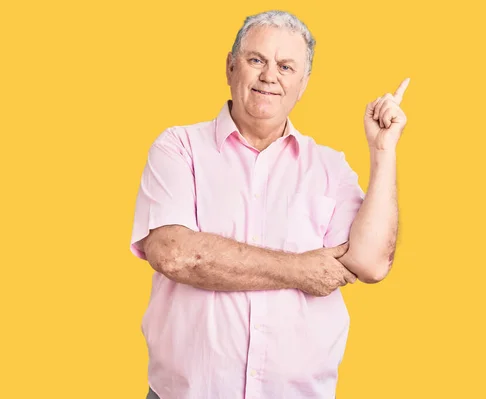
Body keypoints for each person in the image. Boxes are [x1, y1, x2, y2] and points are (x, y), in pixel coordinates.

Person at [129, 9, 410, 399]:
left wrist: (382, 152)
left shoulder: (329, 167)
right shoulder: (179, 148)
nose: (269, 76)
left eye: (286, 66)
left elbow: (371, 262)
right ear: (230, 68)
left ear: (303, 84)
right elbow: (175, 255)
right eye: (256, 60)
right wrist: (299, 270)